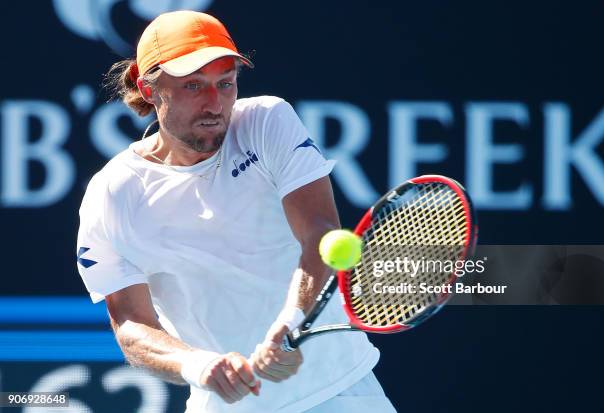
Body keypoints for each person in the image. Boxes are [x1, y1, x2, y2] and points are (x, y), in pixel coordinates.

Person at [76, 10, 396, 413]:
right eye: (194, 85)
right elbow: (131, 325)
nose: (215, 103)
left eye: (225, 84)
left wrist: (291, 321)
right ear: (149, 88)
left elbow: (319, 232)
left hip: (343, 391)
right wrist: (198, 365)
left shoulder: (266, 120)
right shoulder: (112, 194)